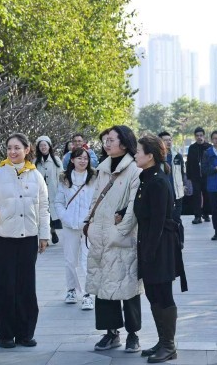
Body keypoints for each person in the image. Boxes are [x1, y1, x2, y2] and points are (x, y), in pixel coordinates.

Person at [0, 133, 51, 348]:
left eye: (17, 148)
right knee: (5, 288)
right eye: (9, 148)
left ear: (27, 149)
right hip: (3, 239)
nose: (12, 152)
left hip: (28, 239)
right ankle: (5, 335)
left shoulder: (36, 175)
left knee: (26, 288)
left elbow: (44, 207)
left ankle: (25, 334)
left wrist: (44, 235)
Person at [85, 125, 143, 353]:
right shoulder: (103, 168)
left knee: (127, 286)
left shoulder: (134, 169)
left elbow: (134, 206)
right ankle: (111, 332)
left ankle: (133, 334)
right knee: (103, 285)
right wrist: (89, 225)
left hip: (121, 238)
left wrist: (119, 233)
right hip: (99, 236)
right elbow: (94, 200)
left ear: (125, 143)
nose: (106, 144)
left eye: (111, 139)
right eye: (105, 140)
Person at [134, 134, 186, 363]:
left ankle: (169, 345)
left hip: (160, 245)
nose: (135, 155)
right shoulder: (147, 178)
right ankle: (162, 340)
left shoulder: (158, 181)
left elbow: (157, 221)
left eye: (138, 151)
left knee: (163, 293)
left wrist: (149, 252)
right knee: (153, 292)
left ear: (150, 156)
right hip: (150, 242)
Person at [54, 148, 97, 310]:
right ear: (72, 160)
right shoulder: (64, 178)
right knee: (70, 260)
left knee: (87, 260)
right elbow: (58, 201)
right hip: (69, 224)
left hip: (88, 225)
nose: (83, 161)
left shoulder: (94, 177)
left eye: (85, 158)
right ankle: (71, 289)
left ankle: (87, 294)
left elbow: (97, 200)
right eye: (79, 158)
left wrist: (91, 217)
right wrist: (65, 216)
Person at [158, 131, 186, 247]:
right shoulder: (156, 157)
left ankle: (180, 241)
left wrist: (184, 186)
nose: (168, 142)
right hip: (162, 193)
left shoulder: (177, 156)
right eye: (165, 140)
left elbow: (183, 173)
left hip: (177, 193)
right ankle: (168, 242)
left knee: (176, 218)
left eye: (170, 140)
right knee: (165, 219)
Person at [34, 135, 63, 244]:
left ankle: (53, 231)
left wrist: (61, 190)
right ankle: (45, 235)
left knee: (52, 214)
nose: (43, 147)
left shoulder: (56, 160)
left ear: (49, 146)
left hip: (53, 191)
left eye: (45, 145)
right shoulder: (35, 161)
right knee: (42, 213)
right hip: (40, 192)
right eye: (41, 145)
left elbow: (61, 176)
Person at [186, 127, 212, 224]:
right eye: (197, 136)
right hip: (195, 176)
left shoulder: (209, 147)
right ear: (195, 137)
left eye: (201, 135)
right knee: (196, 196)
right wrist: (189, 176)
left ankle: (206, 214)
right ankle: (197, 216)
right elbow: (188, 162)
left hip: (206, 176)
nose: (199, 137)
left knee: (207, 195)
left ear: (204, 136)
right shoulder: (192, 148)